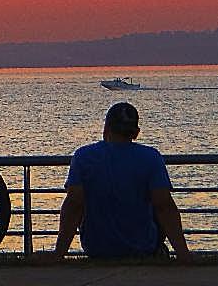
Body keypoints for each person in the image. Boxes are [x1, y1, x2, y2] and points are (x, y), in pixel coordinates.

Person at [53, 102, 190, 261]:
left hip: (97, 248)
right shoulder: (151, 157)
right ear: (136, 133)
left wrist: (59, 253)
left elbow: (73, 205)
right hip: (142, 246)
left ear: (106, 128)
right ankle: (160, 251)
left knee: (83, 200)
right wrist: (183, 253)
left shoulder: (83, 156)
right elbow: (164, 206)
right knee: (158, 202)